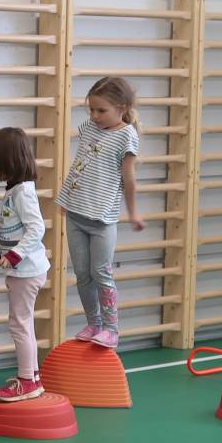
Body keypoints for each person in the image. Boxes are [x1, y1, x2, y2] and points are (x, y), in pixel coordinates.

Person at [58, 76, 145, 348]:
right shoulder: (88, 128)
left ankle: (111, 329)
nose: (94, 116)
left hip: (102, 219)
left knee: (101, 273)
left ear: (122, 107)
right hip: (75, 213)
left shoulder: (126, 136)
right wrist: (66, 197)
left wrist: (133, 213)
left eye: (101, 110)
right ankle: (94, 323)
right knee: (82, 275)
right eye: (91, 110)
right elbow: (80, 165)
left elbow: (129, 179)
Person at [0, 128, 49, 402]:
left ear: (7, 160)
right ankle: (33, 377)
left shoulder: (22, 192)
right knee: (24, 323)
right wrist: (4, 249)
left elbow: (37, 229)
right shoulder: (16, 190)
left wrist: (15, 255)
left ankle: (27, 381)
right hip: (25, 269)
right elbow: (19, 228)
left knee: (19, 325)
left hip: (26, 271)